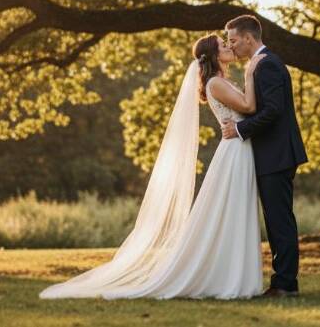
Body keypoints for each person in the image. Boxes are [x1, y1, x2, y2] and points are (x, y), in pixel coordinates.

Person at [39, 33, 267, 299]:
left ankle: (234, 275)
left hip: (239, 148)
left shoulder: (221, 81)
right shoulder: (215, 83)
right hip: (234, 152)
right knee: (231, 211)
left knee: (236, 211)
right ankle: (227, 279)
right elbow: (249, 106)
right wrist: (250, 73)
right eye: (222, 45)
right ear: (214, 55)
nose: (228, 47)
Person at [221, 14, 309, 297]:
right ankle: (284, 281)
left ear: (248, 38)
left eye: (233, 40)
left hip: (277, 154)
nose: (230, 46)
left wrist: (240, 129)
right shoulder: (259, 64)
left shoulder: (267, 64)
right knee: (276, 219)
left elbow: (273, 110)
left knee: (279, 220)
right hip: (271, 154)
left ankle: (285, 285)